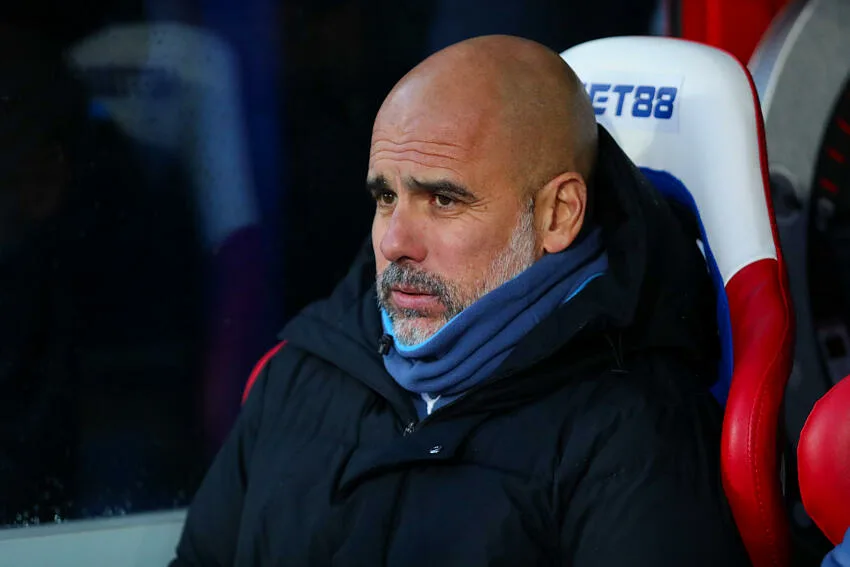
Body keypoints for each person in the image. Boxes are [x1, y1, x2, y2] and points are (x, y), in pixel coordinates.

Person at [171, 35, 750, 566]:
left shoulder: (633, 432)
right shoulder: (307, 368)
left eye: (443, 200)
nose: (394, 243)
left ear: (558, 214)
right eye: (385, 197)